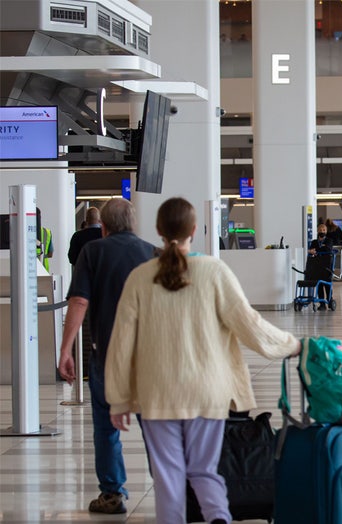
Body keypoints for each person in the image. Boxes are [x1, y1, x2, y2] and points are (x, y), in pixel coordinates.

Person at [105, 197, 301, 524]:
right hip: (208, 392)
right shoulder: (214, 271)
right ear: (194, 230)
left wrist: (118, 400)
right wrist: (289, 344)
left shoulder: (140, 278)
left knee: (169, 477)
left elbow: (121, 343)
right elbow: (248, 323)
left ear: (158, 231)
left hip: (159, 394)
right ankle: (218, 518)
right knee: (204, 470)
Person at [56, 199, 156, 515]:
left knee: (105, 428)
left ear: (104, 228)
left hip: (107, 355)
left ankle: (112, 494)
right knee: (155, 427)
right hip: (148, 356)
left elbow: (80, 301)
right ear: (133, 223)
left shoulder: (93, 252)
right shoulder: (152, 252)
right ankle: (169, 487)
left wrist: (66, 349)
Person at [307, 224, 334, 306]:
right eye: (321, 230)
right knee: (319, 284)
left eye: (324, 230)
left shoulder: (329, 241)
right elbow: (310, 250)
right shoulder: (314, 242)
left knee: (327, 284)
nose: (322, 231)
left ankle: (329, 300)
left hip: (326, 266)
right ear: (317, 231)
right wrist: (313, 251)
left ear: (326, 231)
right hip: (317, 266)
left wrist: (316, 250)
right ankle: (322, 303)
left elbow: (327, 248)